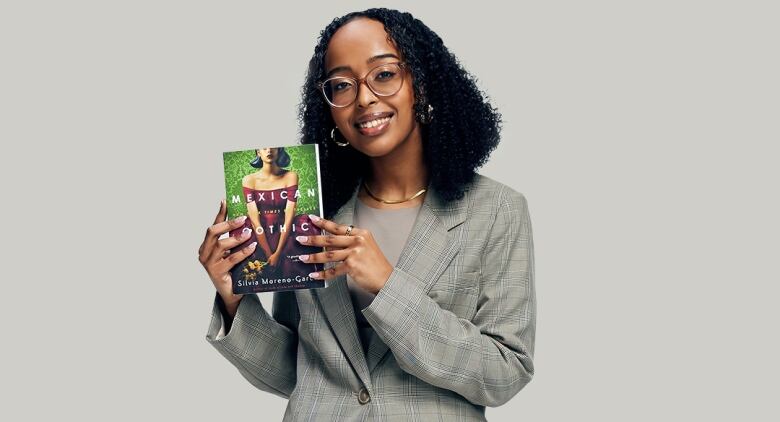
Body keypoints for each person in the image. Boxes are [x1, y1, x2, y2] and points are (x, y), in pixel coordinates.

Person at [198, 8, 536, 421]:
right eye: (341, 84)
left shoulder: (496, 209)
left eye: (384, 74)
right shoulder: (310, 209)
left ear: (422, 85)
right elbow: (295, 373)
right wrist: (234, 301)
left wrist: (387, 286)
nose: (363, 98)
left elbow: (503, 374)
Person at [232, 147, 317, 278]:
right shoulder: (249, 180)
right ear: (258, 152)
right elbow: (255, 221)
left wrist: (277, 253)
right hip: (260, 230)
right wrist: (267, 253)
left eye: (273, 148)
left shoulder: (291, 176)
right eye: (264, 148)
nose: (269, 150)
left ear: (279, 151)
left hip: (285, 229)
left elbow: (289, 215)